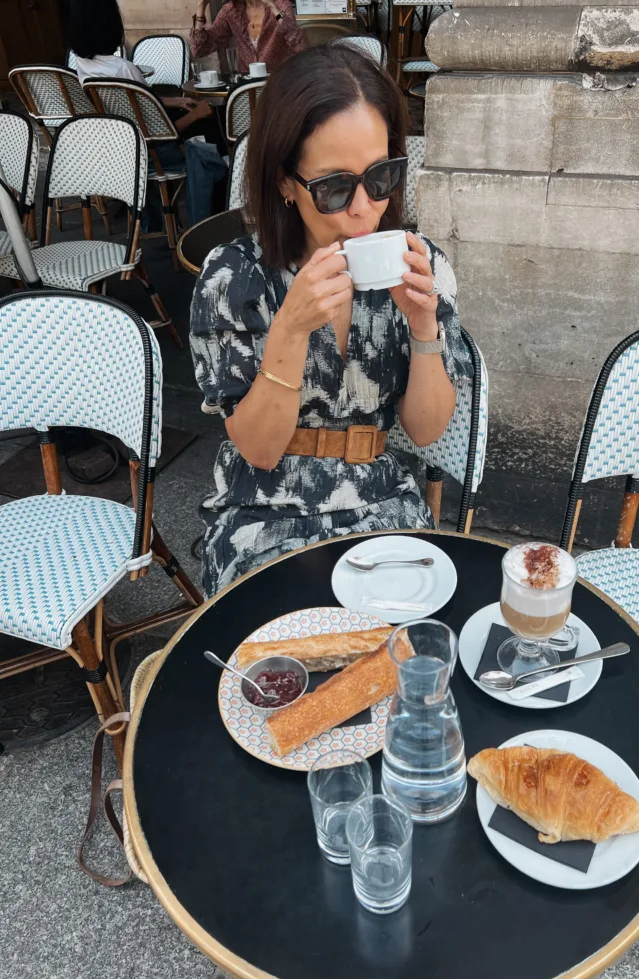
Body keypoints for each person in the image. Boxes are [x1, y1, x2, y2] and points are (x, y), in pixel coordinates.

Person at [189, 43, 473, 604]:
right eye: (335, 187)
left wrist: (424, 328)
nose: (364, 207)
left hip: (382, 495)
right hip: (263, 506)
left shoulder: (421, 265)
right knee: (278, 659)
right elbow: (260, 450)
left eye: (382, 176)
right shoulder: (235, 277)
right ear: (284, 183)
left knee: (409, 657)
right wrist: (290, 331)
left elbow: (425, 430)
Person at [66, 0, 228, 226]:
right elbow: (157, 133)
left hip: (123, 148)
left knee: (202, 125)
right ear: (108, 24)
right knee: (214, 126)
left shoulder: (83, 65)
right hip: (155, 152)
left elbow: (133, 103)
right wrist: (196, 114)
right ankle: (215, 214)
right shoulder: (123, 69)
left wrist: (176, 101)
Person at [190, 0, 305, 74]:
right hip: (247, 90)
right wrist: (201, 7)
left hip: (279, 85)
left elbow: (299, 45)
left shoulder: (281, 5)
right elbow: (198, 50)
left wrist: (273, 8)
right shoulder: (230, 11)